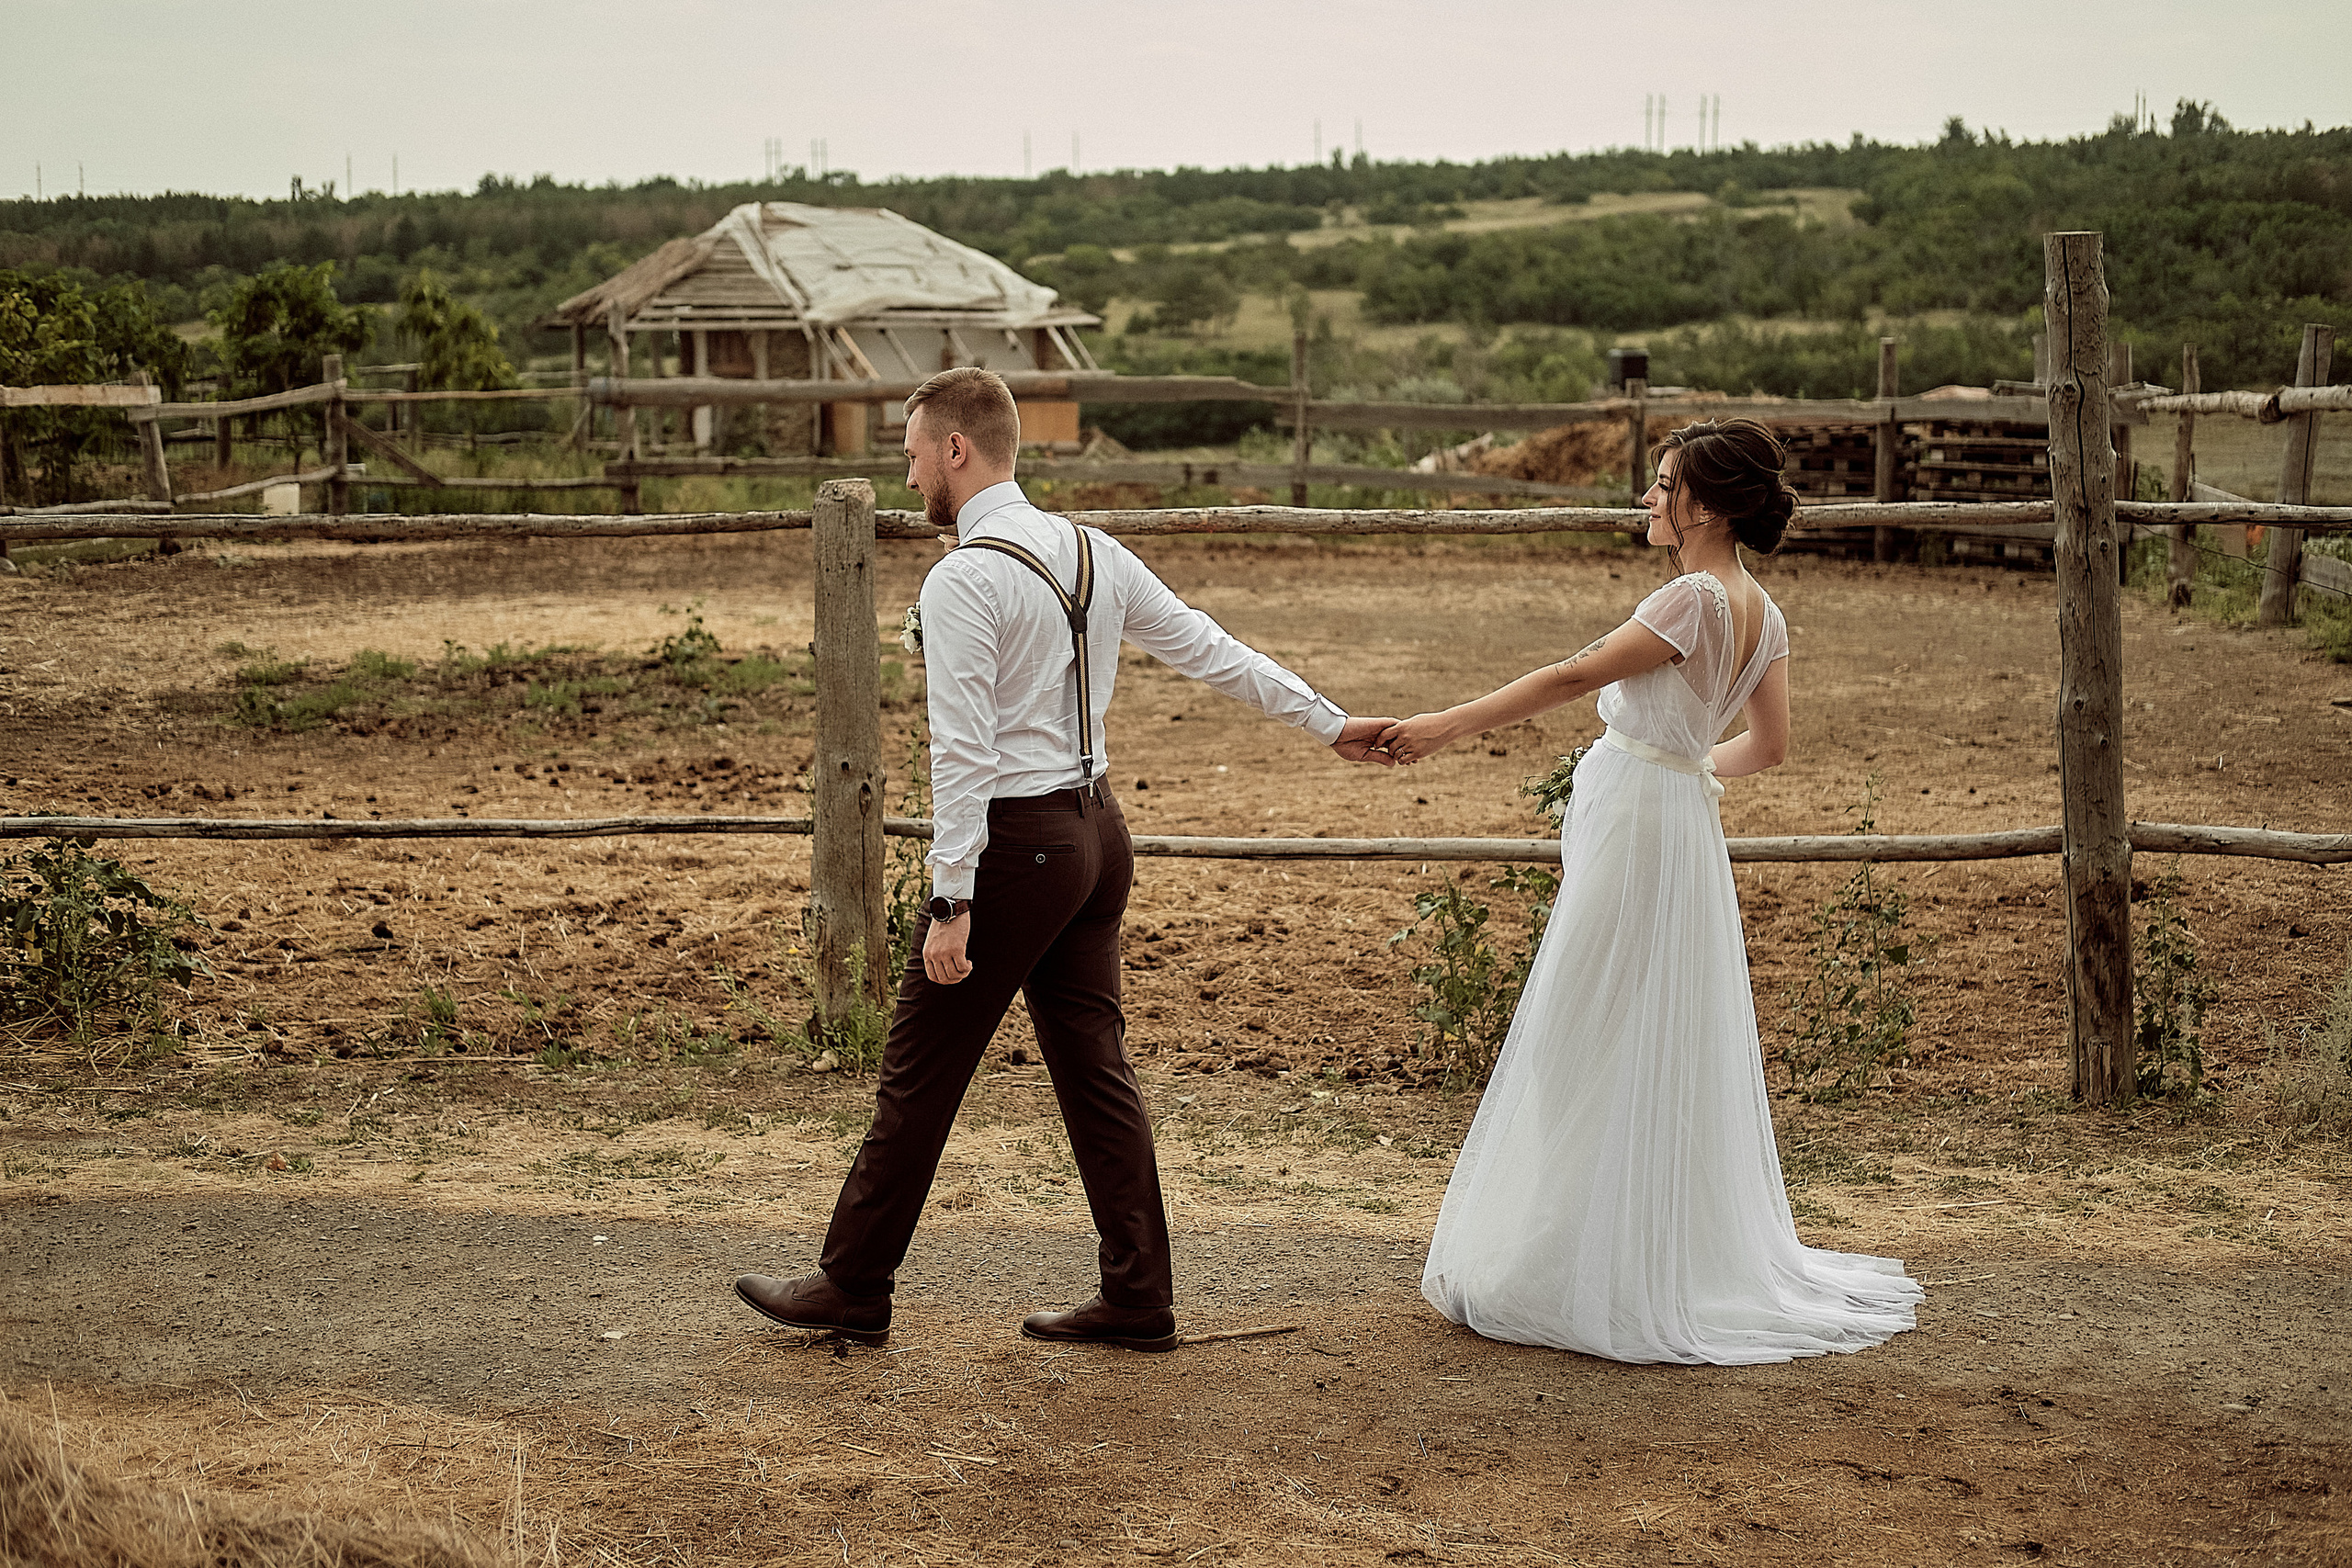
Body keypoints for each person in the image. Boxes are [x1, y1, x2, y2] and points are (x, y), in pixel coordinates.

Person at [733, 367, 1395, 1352]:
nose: (909, 473)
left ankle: (852, 1282)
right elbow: (1212, 650)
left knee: (918, 1074)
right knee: (1095, 1071)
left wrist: (950, 895)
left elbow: (959, 750)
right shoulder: (1093, 552)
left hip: (1013, 850)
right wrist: (1328, 720)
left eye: (913, 452)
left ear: (956, 450)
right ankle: (1135, 1297)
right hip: (1095, 836)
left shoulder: (964, 577)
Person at [1380, 418, 1921, 1364]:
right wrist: (1681, 768)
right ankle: (1621, 1241)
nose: (1647, 498)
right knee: (1643, 1023)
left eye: (1662, 484)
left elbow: (1572, 673)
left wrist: (1442, 726)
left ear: (1703, 506)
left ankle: (1576, 1257)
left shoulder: (1691, 602)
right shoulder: (1762, 609)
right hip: (1673, 818)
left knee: (1581, 1027)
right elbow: (1769, 747)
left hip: (1640, 816)